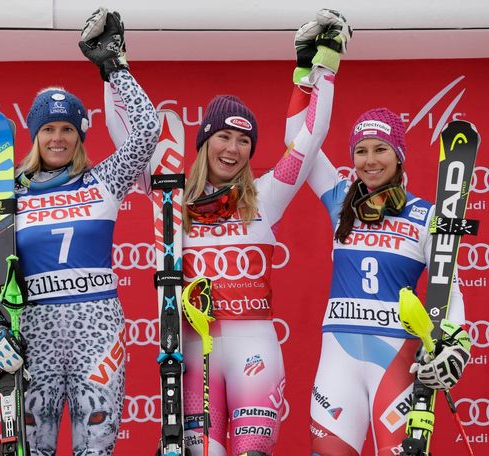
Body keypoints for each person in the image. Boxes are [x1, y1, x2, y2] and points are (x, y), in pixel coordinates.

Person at [104, 10, 350, 455]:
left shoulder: (265, 196)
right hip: (192, 354)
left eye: (244, 142)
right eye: (223, 138)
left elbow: (309, 141)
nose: (233, 150)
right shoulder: (168, 197)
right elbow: (127, 137)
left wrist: (323, 69)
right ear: (203, 142)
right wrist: (111, 70)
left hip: (255, 353)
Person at [0, 9, 160, 455]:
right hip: (33, 335)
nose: (58, 138)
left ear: (80, 135)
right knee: (33, 450)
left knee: (96, 449)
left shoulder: (104, 180)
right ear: (35, 135)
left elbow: (148, 130)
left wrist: (115, 68)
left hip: (99, 332)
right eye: (48, 129)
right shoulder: (7, 194)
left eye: (68, 129)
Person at [283, 80, 473, 452]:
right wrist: (312, 71)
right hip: (338, 360)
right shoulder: (341, 200)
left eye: (381, 149)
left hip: (396, 361)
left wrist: (455, 342)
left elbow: (448, 289)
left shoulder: (426, 215)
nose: (370, 161)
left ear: (399, 154)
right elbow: (296, 139)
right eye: (361, 151)